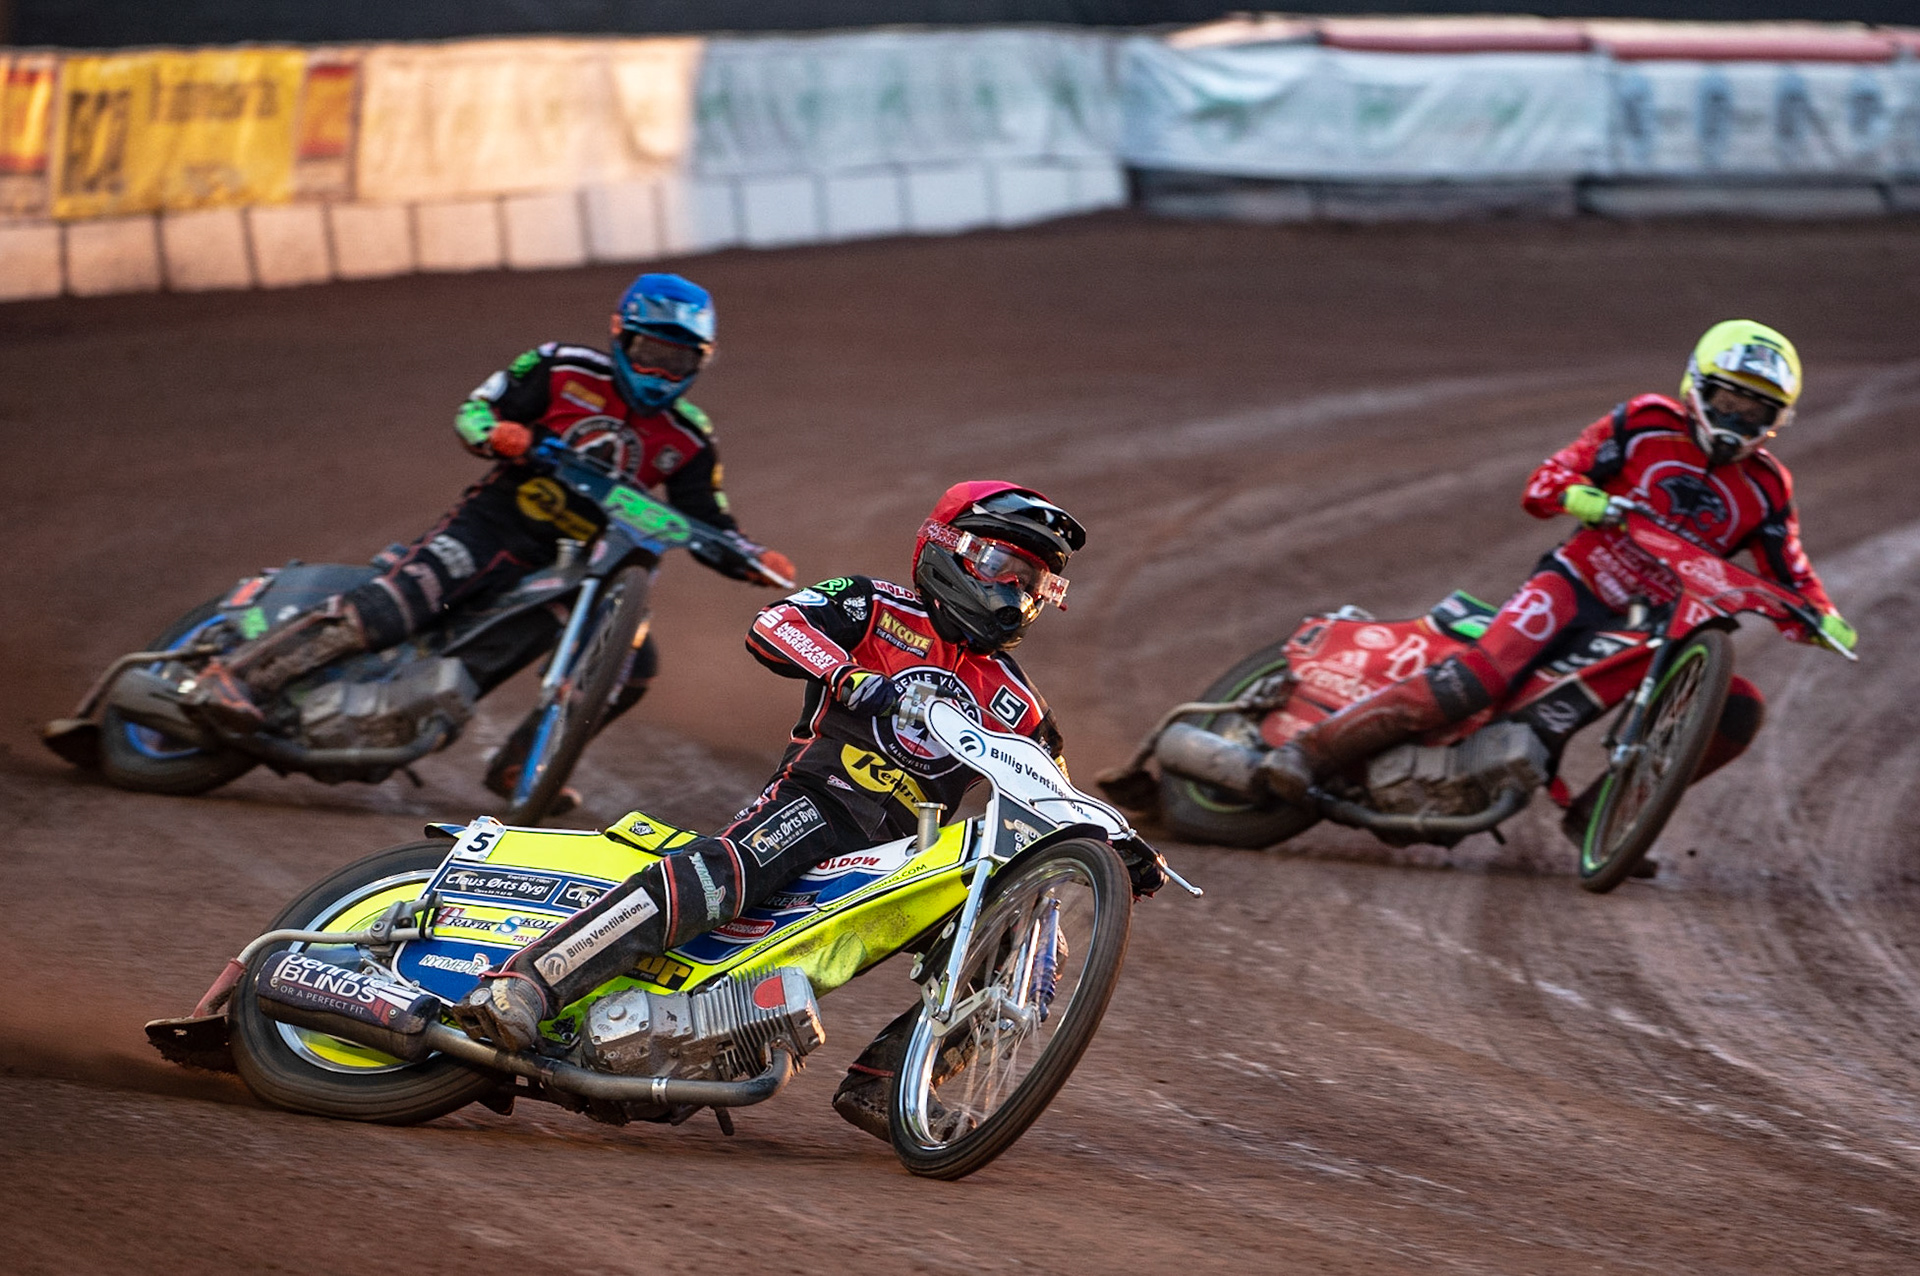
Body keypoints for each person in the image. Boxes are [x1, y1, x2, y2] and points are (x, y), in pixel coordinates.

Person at [452, 480, 1086, 1138]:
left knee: (1029, 940)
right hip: (819, 798)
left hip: (904, 856)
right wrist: (847, 676)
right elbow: (775, 625)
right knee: (728, 873)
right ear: (946, 549)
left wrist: (1117, 851)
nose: (1014, 592)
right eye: (1001, 567)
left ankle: (892, 1083)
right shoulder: (872, 604)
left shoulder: (1022, 703)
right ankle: (527, 983)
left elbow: (1056, 799)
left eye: (1033, 583)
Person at [189, 272, 793, 801]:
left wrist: (751, 557)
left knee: (631, 666)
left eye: (678, 362)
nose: (661, 373)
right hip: (497, 524)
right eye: (651, 353)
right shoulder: (559, 367)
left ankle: (522, 767)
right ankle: (237, 675)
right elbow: (476, 411)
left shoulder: (690, 436)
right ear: (620, 335)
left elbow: (706, 518)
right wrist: (497, 434)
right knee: (407, 601)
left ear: (700, 363)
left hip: (583, 567)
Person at [1259, 319, 1857, 837]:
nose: (1737, 419)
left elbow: (1792, 573)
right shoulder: (1645, 422)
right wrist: (1580, 497)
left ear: (1776, 420)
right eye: (1728, 400)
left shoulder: (1767, 487)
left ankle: (1601, 820)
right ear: (1696, 386)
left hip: (1656, 627)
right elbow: (1547, 479)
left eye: (1755, 411)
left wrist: (1824, 618)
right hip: (1576, 583)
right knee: (1479, 678)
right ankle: (1309, 753)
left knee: (1739, 708)